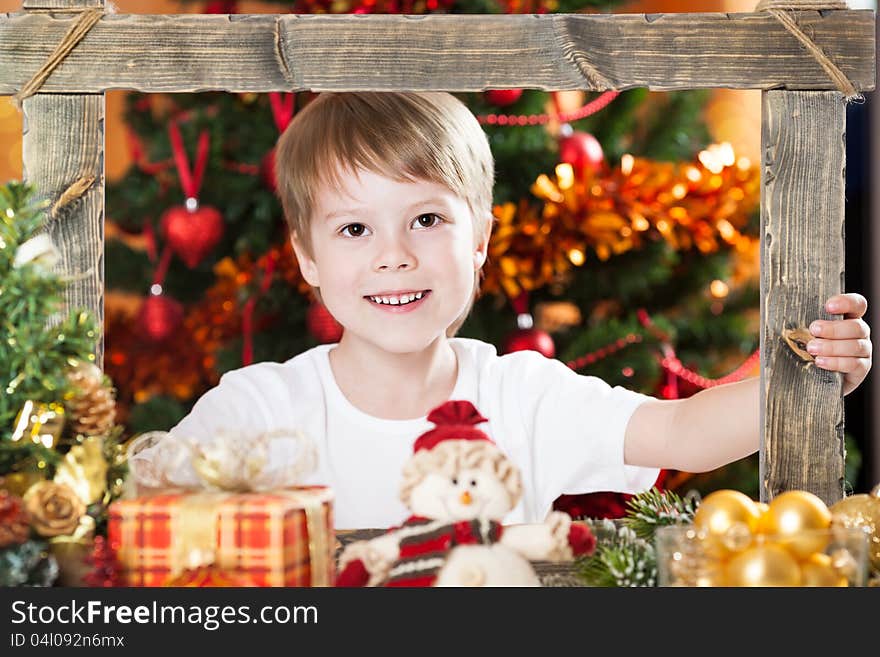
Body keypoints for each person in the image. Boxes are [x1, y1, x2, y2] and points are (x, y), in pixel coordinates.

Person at [137, 92, 872, 530]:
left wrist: (815, 379)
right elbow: (143, 507)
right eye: (355, 228)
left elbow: (686, 432)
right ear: (306, 257)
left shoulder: (523, 394)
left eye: (426, 220)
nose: (394, 254)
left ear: (481, 239)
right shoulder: (257, 407)